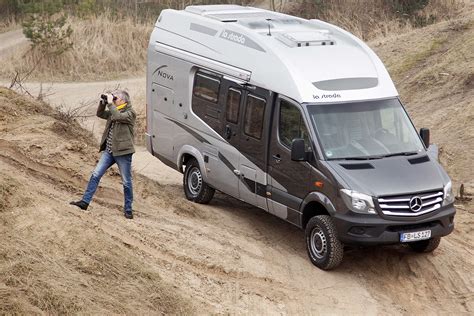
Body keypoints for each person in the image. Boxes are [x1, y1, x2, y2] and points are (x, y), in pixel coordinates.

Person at [70, 90, 136, 219]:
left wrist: (111, 104)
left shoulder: (130, 113)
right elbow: (100, 113)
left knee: (126, 182)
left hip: (123, 152)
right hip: (109, 151)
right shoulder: (114, 110)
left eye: (116, 99)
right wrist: (103, 102)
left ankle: (128, 209)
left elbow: (118, 116)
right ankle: (85, 202)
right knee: (95, 175)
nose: (114, 100)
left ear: (123, 101)